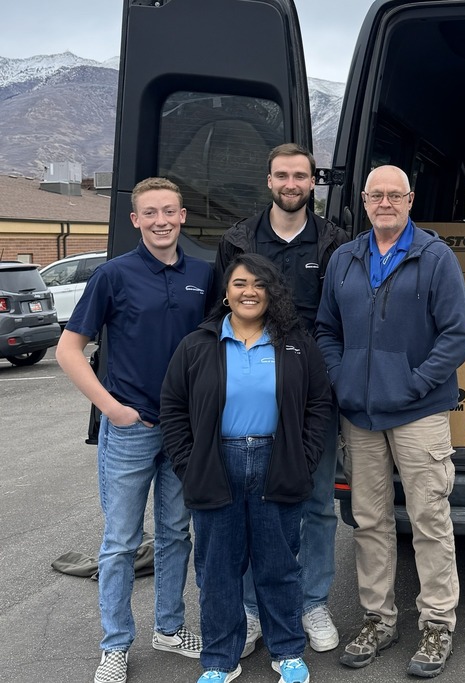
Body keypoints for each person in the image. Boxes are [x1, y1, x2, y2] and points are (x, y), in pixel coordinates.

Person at [315, 164, 465, 678]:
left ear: (409, 200)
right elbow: (326, 331)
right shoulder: (345, 258)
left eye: (394, 195)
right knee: (369, 521)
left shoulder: (435, 257)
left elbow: (458, 335)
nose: (385, 202)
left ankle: (437, 624)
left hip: (418, 414)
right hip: (360, 416)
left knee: (429, 518)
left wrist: (412, 384)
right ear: (364, 201)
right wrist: (342, 381)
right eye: (376, 195)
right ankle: (378, 619)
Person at [55, 177, 211, 683]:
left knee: (174, 534)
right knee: (121, 542)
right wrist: (112, 409)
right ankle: (115, 645)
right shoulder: (113, 276)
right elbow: (67, 350)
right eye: (151, 213)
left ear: (183, 216)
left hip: (183, 431)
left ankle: (168, 628)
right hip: (131, 429)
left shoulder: (204, 276)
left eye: (170, 211)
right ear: (135, 220)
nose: (162, 220)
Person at [161, 253, 332, 683]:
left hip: (278, 461)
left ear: (273, 293)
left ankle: (288, 651)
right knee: (218, 569)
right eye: (239, 283)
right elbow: (173, 407)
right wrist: (188, 463)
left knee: (278, 565)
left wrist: (305, 456)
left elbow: (318, 402)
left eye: (259, 284)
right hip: (218, 463)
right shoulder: (199, 344)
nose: (249, 292)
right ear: (226, 292)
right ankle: (220, 659)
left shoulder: (294, 342)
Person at [214, 143, 348, 656]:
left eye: (300, 176)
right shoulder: (239, 239)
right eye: (281, 175)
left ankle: (311, 603)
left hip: (312, 399)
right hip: (250, 396)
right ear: (268, 181)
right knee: (253, 506)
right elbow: (217, 312)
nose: (291, 183)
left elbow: (343, 320)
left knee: (316, 505)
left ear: (313, 182)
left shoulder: (336, 242)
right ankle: (252, 612)